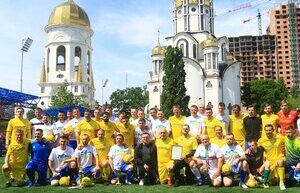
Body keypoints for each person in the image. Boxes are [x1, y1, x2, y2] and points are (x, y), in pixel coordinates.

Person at [258, 124, 286, 190]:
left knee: (280, 162)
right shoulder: (261, 140)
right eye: (267, 130)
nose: (268, 132)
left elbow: (288, 139)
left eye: (270, 130)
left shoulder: (279, 137)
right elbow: (255, 148)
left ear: (273, 130)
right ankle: (271, 178)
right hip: (269, 162)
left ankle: (281, 183)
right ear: (264, 131)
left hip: (279, 158)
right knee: (273, 182)